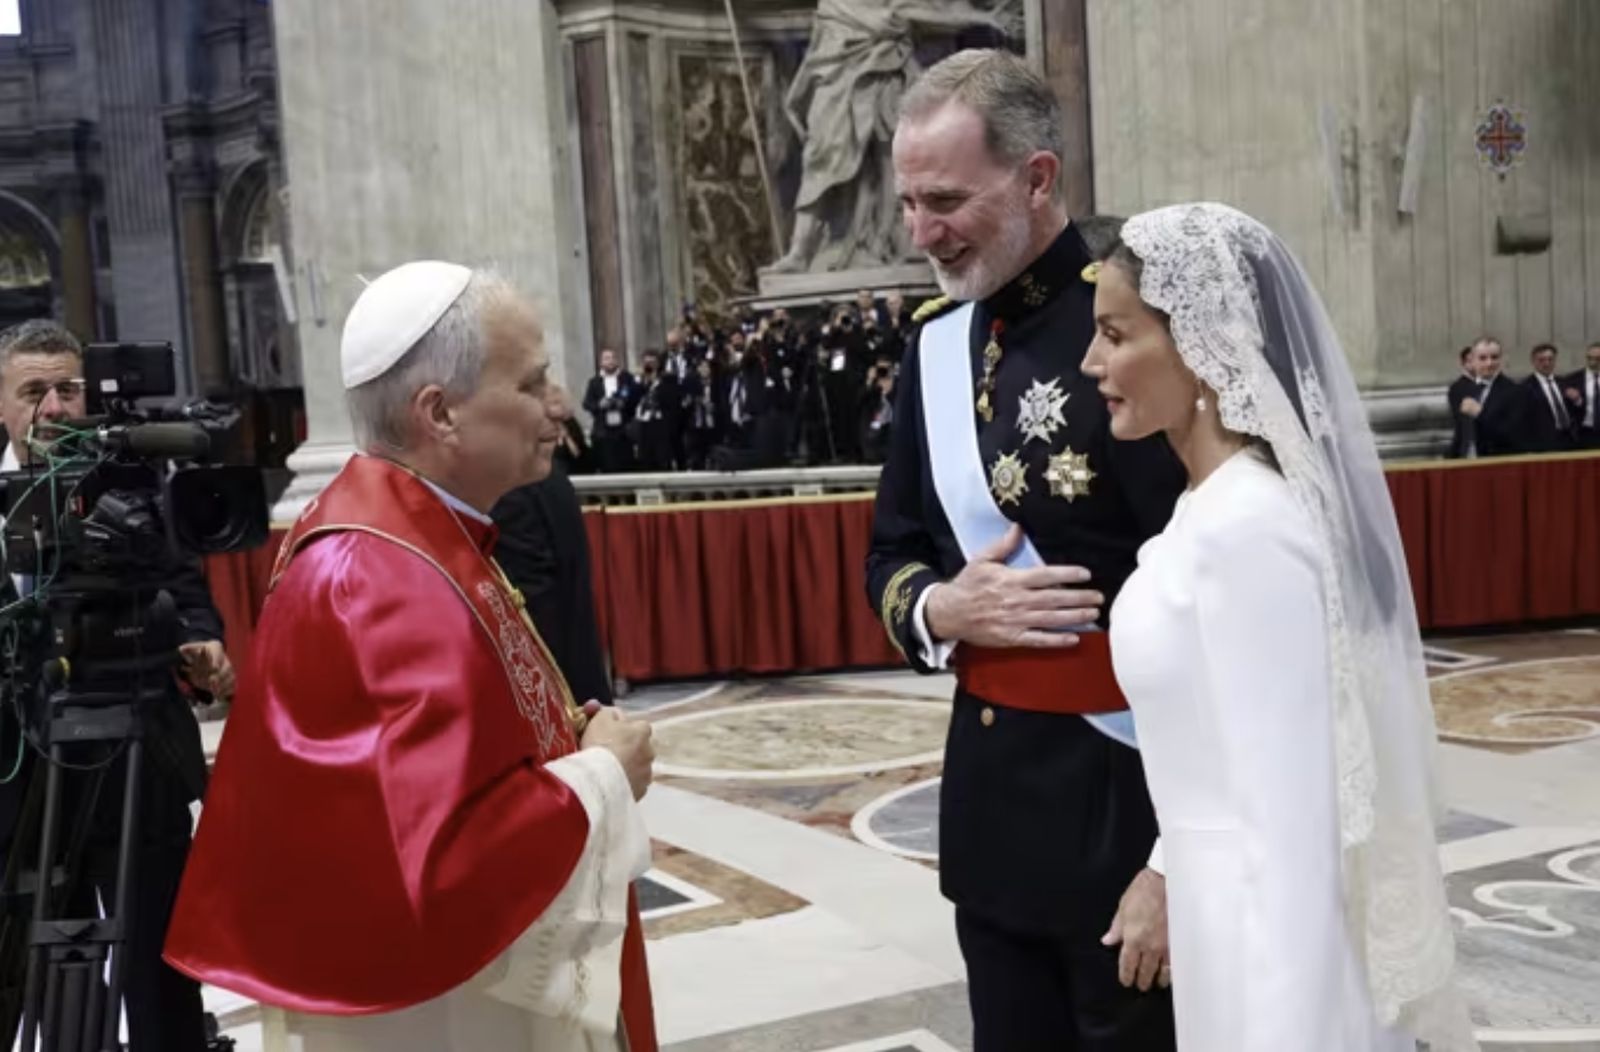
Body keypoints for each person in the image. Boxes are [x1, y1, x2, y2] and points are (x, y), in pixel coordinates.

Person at [163, 262, 658, 1051]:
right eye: (530, 383)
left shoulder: (421, 534)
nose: (554, 404)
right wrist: (603, 775)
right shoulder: (383, 575)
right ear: (442, 414)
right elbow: (440, 865)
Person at [1082, 203, 1476, 1051]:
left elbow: (1297, 827)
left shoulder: (1251, 528)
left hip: (1274, 952)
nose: (1092, 362)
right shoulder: (1209, 510)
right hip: (1225, 920)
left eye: (1116, 335)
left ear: (1201, 344)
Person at [865, 50, 1182, 1049]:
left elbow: (1221, 599)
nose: (921, 233)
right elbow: (892, 549)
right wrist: (937, 609)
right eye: (909, 203)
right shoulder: (934, 345)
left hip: (1128, 801)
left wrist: (1182, 854)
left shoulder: (1139, 329)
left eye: (946, 200)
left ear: (1036, 177)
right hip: (992, 808)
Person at [0, 320, 233, 1051]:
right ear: (2, 404)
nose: (55, 408)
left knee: (160, 969)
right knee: (31, 971)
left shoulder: (134, 479)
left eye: (68, 389)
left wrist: (205, 644)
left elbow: (186, 595)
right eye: (33, 391)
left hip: (140, 764)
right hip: (23, 785)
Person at [493, 382, 613, 708]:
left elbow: (536, 618)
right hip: (580, 689)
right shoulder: (546, 478)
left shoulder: (511, 489)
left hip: (555, 702)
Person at [1457, 338, 1522, 456]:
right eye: (1482, 358)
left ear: (1501, 360)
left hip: (1496, 462)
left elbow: (1513, 436)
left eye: (1494, 357)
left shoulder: (1513, 391)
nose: (1489, 363)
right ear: (1472, 361)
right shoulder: (1465, 389)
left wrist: (1480, 413)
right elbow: (1462, 432)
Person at [1521, 342, 1576, 452]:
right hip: (1544, 443)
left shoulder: (1564, 382)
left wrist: (1577, 400)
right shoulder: (1525, 387)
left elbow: (1574, 409)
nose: (1547, 363)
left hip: (1570, 439)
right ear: (1533, 362)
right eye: (1541, 360)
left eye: (1550, 359)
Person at [1446, 344, 1479, 458]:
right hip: (1471, 444)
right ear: (1464, 363)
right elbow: (1462, 421)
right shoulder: (1458, 387)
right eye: (1471, 361)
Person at [1566, 342, 1600, 449]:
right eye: (1590, 358)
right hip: (1584, 433)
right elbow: (1566, 408)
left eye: (1597, 358)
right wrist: (1577, 401)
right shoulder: (1572, 379)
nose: (1593, 362)